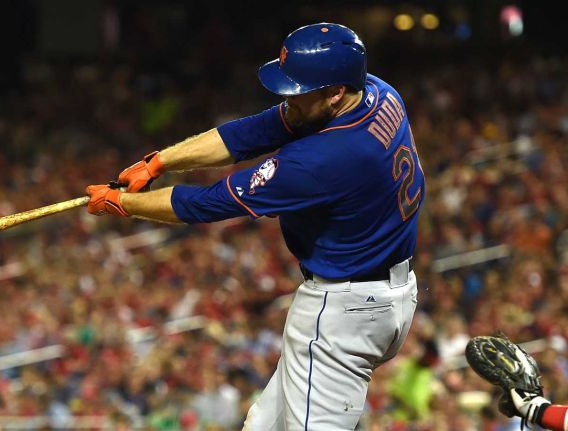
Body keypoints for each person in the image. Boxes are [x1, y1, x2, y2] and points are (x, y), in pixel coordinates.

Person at [85, 23, 424, 430]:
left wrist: (123, 204)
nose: (288, 99)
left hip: (343, 314)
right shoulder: (379, 93)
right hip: (385, 294)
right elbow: (255, 131)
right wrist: (159, 162)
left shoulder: (322, 160)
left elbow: (206, 203)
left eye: (298, 91)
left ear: (335, 92)